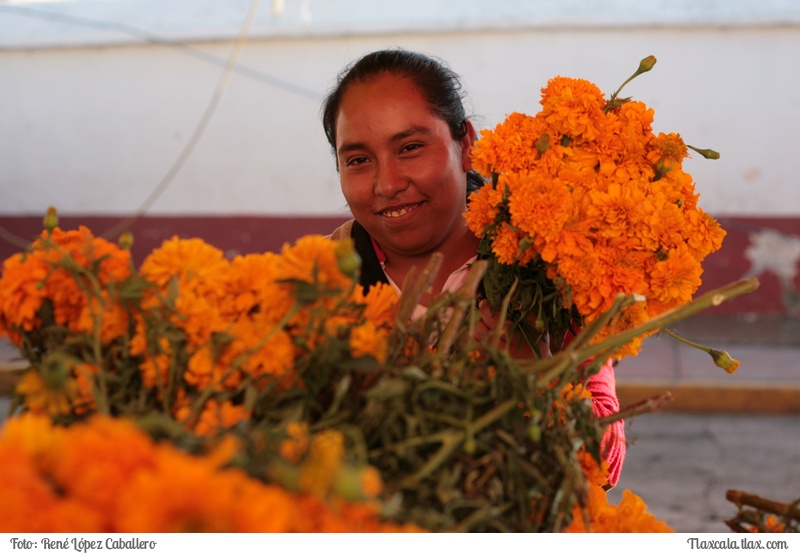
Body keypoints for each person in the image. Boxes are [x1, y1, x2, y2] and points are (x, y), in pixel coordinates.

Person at [322, 48, 625, 486]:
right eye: (358, 160)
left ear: (465, 144)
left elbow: (604, 467)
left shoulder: (548, 265)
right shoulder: (322, 277)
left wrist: (530, 370)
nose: (387, 184)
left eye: (410, 148)